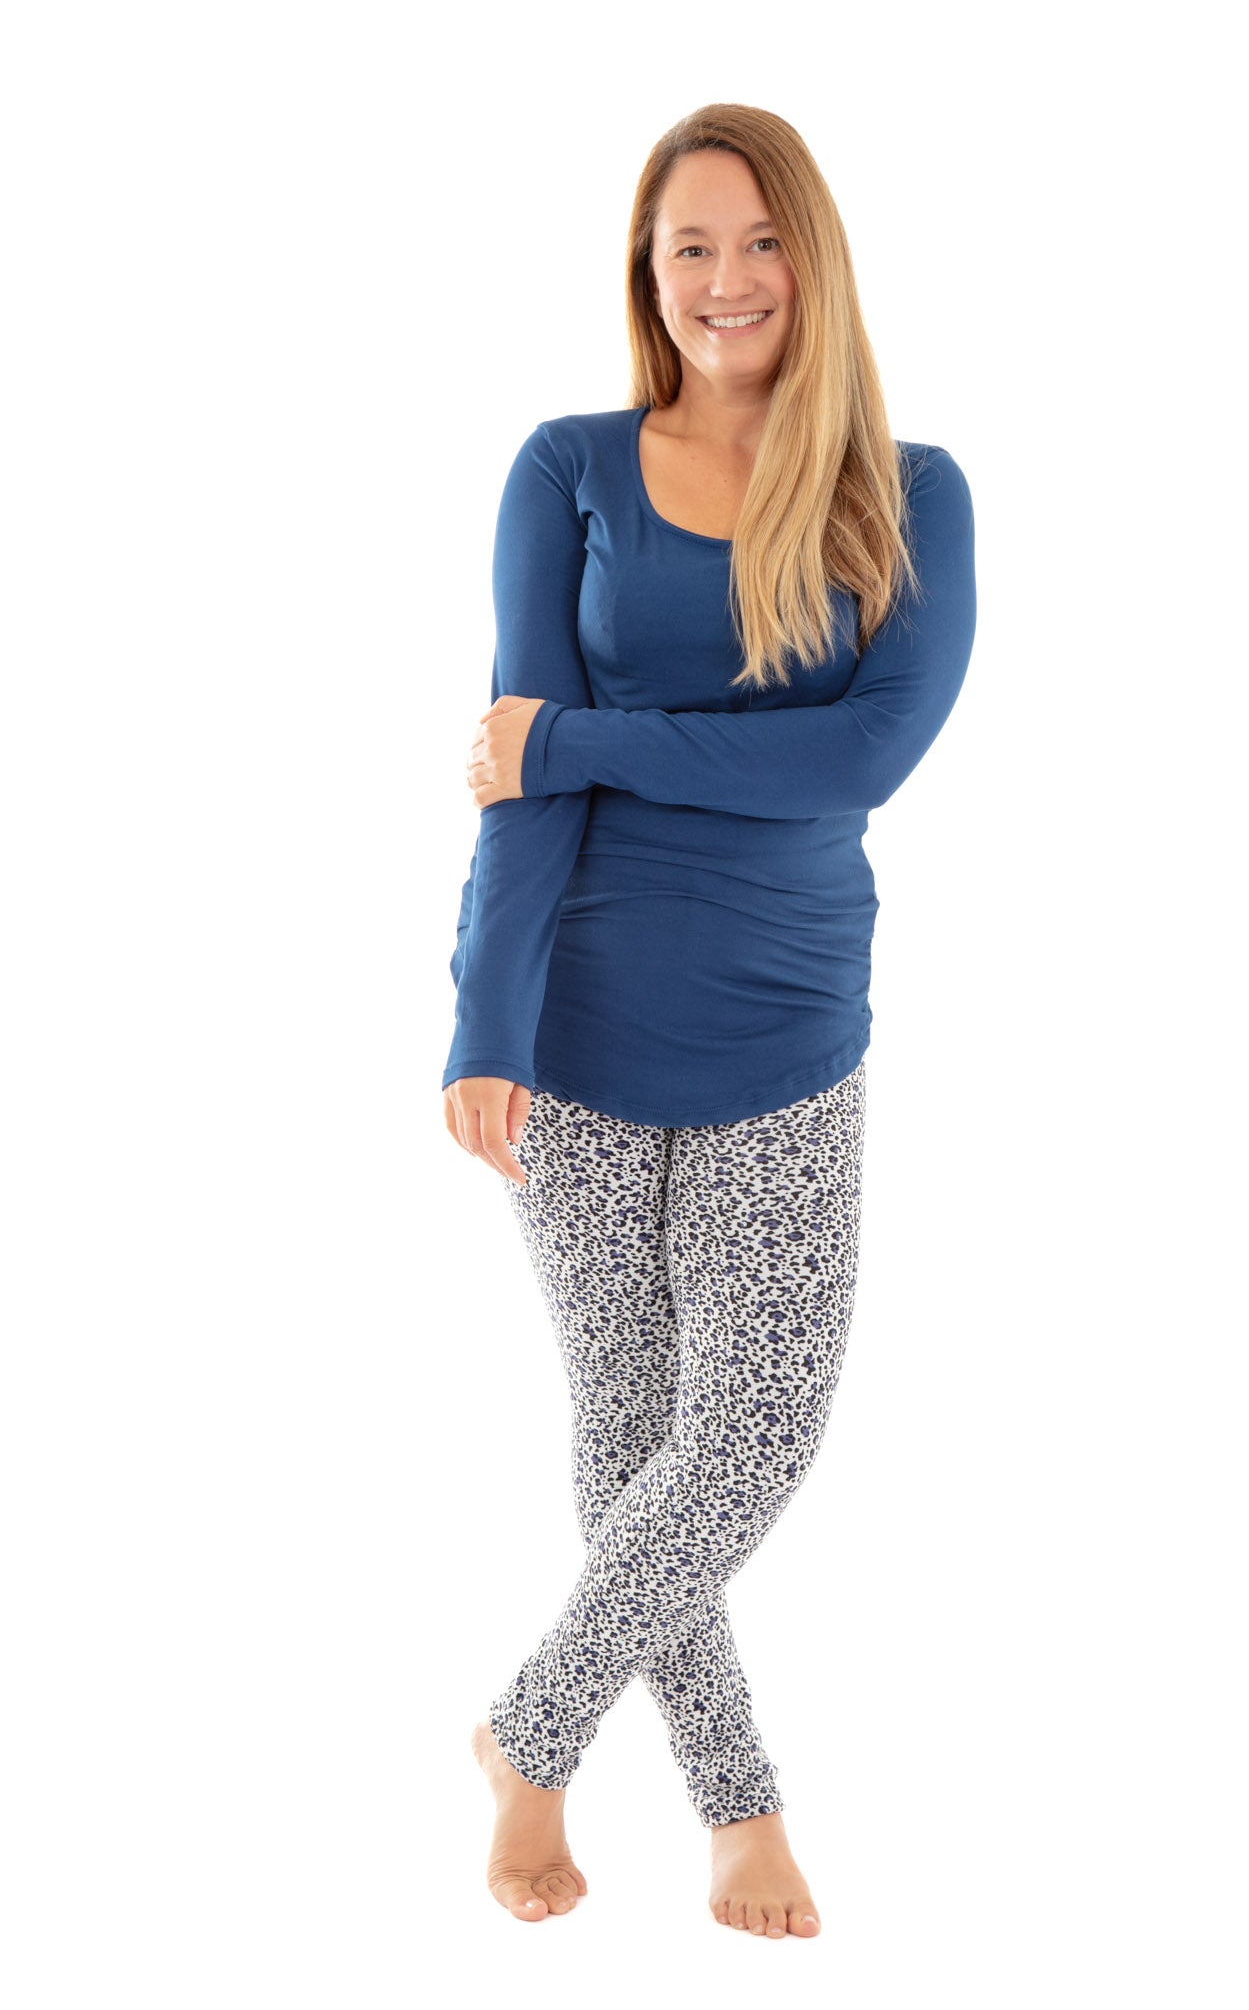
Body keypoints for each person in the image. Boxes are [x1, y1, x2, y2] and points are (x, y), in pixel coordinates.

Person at [441, 102, 976, 1938]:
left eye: (759, 242)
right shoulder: (567, 466)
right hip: (574, 1027)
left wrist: (582, 740)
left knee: (748, 1435)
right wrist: (483, 1023)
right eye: (691, 245)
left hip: (784, 1028)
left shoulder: (910, 493)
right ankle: (739, 1810)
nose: (726, 278)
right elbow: (514, 785)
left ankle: (526, 1732)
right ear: (646, 270)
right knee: (630, 1434)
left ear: (809, 261)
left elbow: (862, 755)